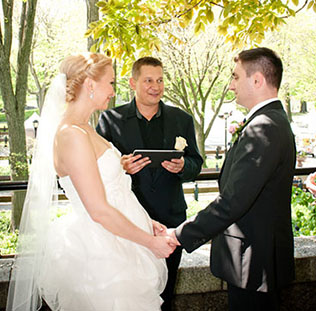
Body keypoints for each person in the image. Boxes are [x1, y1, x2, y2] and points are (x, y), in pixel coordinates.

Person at [6, 53, 177, 311]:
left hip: (121, 239)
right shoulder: (71, 135)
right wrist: (149, 242)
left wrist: (145, 222)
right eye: (110, 83)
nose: (112, 91)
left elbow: (112, 190)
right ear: (90, 85)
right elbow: (98, 210)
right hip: (102, 253)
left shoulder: (85, 128)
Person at [171, 47, 296, 311]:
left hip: (254, 261)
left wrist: (180, 235)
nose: (230, 86)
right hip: (253, 258)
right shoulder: (269, 121)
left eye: (236, 77)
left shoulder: (265, 127)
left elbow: (234, 199)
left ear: (257, 80)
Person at [96, 56, 203, 310]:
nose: (156, 86)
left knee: (165, 294)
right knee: (129, 293)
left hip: (170, 219)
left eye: (160, 80)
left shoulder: (182, 120)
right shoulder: (109, 120)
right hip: (127, 221)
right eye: (148, 80)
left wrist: (182, 167)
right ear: (133, 83)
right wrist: (122, 168)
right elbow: (97, 170)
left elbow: (195, 164)